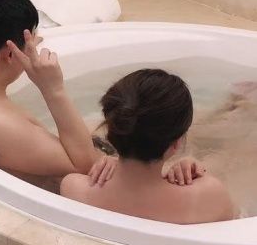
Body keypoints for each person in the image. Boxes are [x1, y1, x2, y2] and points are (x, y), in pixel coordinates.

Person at [0, 0, 102, 180]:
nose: (33, 47)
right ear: (10, 54)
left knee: (102, 125)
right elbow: (87, 166)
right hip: (56, 187)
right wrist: (54, 89)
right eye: (30, 41)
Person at [61, 68, 234, 224]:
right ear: (177, 143)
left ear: (110, 134)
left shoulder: (74, 189)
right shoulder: (210, 198)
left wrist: (117, 163)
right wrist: (176, 172)